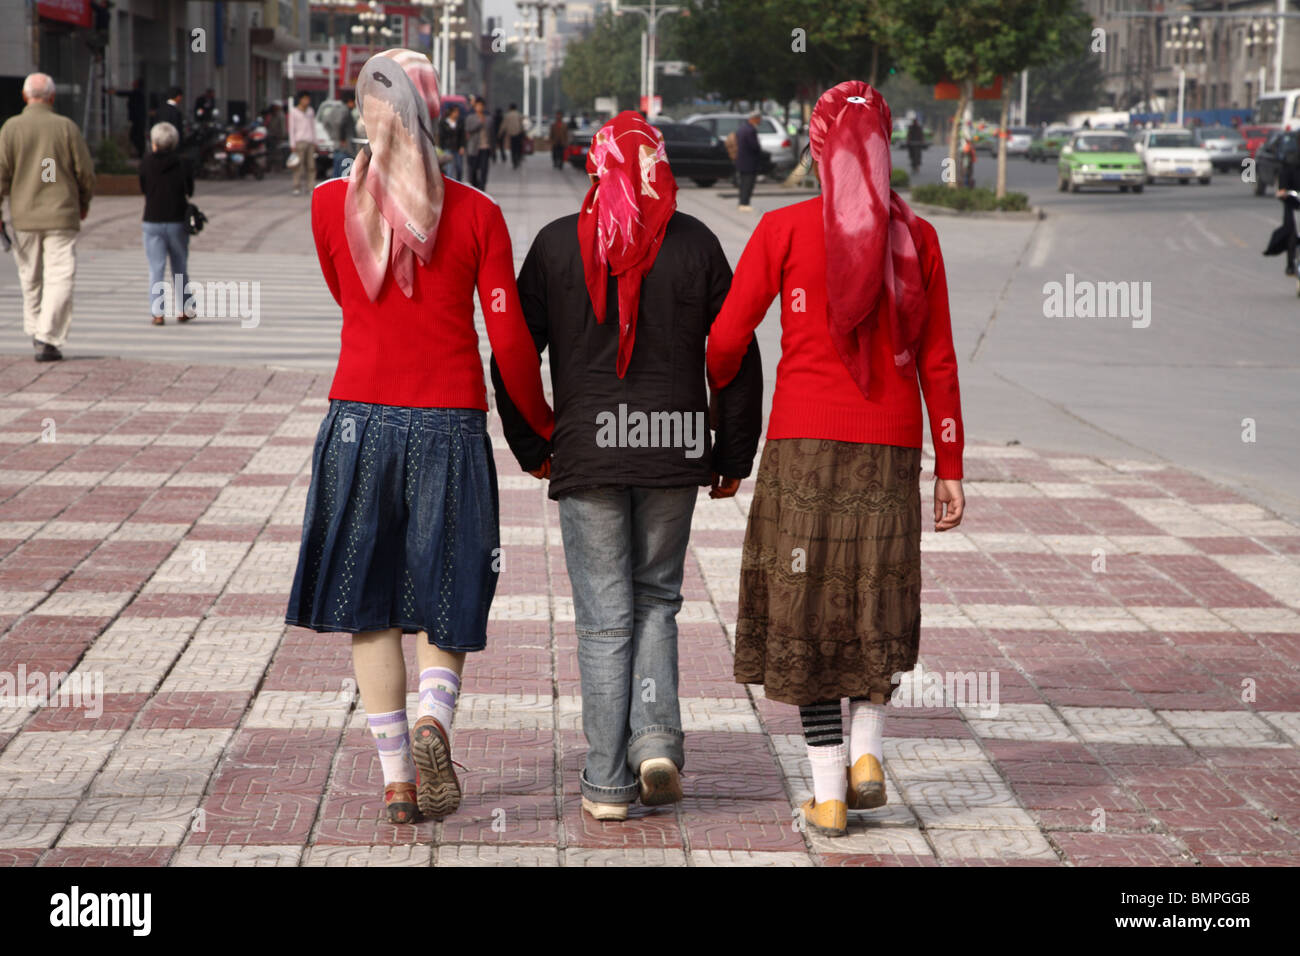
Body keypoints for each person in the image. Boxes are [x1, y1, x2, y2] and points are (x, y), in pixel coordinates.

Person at [286, 49, 555, 826]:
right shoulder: (477, 213)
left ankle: (399, 779)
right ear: (434, 110)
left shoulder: (328, 202)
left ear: (362, 110)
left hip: (356, 420)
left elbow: (347, 297)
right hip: (449, 419)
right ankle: (437, 719)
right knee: (447, 587)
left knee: (369, 604)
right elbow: (507, 342)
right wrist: (540, 432)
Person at [706, 81, 965, 838]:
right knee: (874, 599)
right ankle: (868, 754)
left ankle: (825, 795)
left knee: (808, 615)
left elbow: (725, 341)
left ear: (818, 147)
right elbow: (940, 362)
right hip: (889, 450)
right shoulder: (918, 240)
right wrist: (950, 464)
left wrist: (724, 391)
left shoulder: (783, 230)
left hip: (801, 451)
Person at [492, 112, 762, 821]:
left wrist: (538, 440)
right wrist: (732, 452)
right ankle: (655, 743)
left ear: (592, 167)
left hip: (587, 449)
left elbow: (513, 351)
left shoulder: (554, 246)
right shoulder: (697, 241)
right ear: (658, 166)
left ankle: (608, 782)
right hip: (673, 448)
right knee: (658, 601)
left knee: (605, 619)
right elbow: (735, 349)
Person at [0, 73, 95, 363]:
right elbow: (85, 173)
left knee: (30, 277)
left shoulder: (11, 128)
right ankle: (47, 336)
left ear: (25, 96)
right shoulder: (66, 128)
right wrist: (83, 201)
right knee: (60, 276)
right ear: (52, 97)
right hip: (61, 213)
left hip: (24, 216)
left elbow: (1, 173)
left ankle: (36, 330)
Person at [139, 121, 195, 326]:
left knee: (156, 268)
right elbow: (190, 190)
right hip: (177, 221)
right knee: (180, 266)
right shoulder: (184, 163)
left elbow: (143, 188)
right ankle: (185, 309)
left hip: (152, 219)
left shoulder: (145, 162)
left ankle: (157, 313)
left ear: (154, 143)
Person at [288, 92, 316, 195]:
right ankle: (297, 186)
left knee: (311, 166)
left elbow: (313, 127)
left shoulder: (310, 111)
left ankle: (310, 187)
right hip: (299, 141)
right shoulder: (294, 112)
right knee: (298, 166)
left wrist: (314, 141)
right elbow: (291, 129)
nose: (306, 101)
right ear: (300, 100)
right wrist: (292, 144)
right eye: (305, 99)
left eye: (308, 99)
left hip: (310, 141)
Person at [735, 111, 763, 211]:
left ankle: (741, 202)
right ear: (754, 118)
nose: (760, 121)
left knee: (743, 183)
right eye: (759, 119)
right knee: (748, 183)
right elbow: (754, 146)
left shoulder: (742, 128)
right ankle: (745, 203)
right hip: (750, 161)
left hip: (741, 160)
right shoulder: (751, 130)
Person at [113, 78, 147, 158]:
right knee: (135, 136)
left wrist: (115, 92)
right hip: (137, 119)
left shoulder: (138, 93)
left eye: (134, 83)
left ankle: (140, 153)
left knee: (136, 136)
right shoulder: (138, 93)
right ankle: (139, 152)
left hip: (138, 120)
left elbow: (127, 93)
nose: (132, 84)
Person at [466, 97, 493, 190]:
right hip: (473, 148)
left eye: (481, 106)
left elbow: (492, 134)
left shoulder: (489, 119)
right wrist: (479, 123)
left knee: (484, 169)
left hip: (485, 148)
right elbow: (469, 129)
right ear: (475, 107)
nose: (480, 108)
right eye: (478, 106)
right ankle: (475, 186)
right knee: (473, 170)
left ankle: (482, 188)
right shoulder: (470, 118)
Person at [438, 103, 467, 181]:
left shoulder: (460, 123)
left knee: (459, 167)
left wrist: (462, 146)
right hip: (447, 147)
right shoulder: (444, 123)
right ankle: (450, 183)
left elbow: (462, 136)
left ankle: (459, 182)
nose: (457, 114)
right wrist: (442, 148)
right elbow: (441, 136)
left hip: (457, 148)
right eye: (455, 112)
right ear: (450, 112)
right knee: (449, 168)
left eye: (458, 112)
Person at [500, 103, 525, 169]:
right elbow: (522, 125)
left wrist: (500, 134)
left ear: (510, 108)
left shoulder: (507, 115)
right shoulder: (519, 115)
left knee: (513, 148)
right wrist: (523, 132)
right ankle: (518, 158)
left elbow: (503, 126)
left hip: (511, 134)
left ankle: (514, 161)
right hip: (518, 133)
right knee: (518, 147)